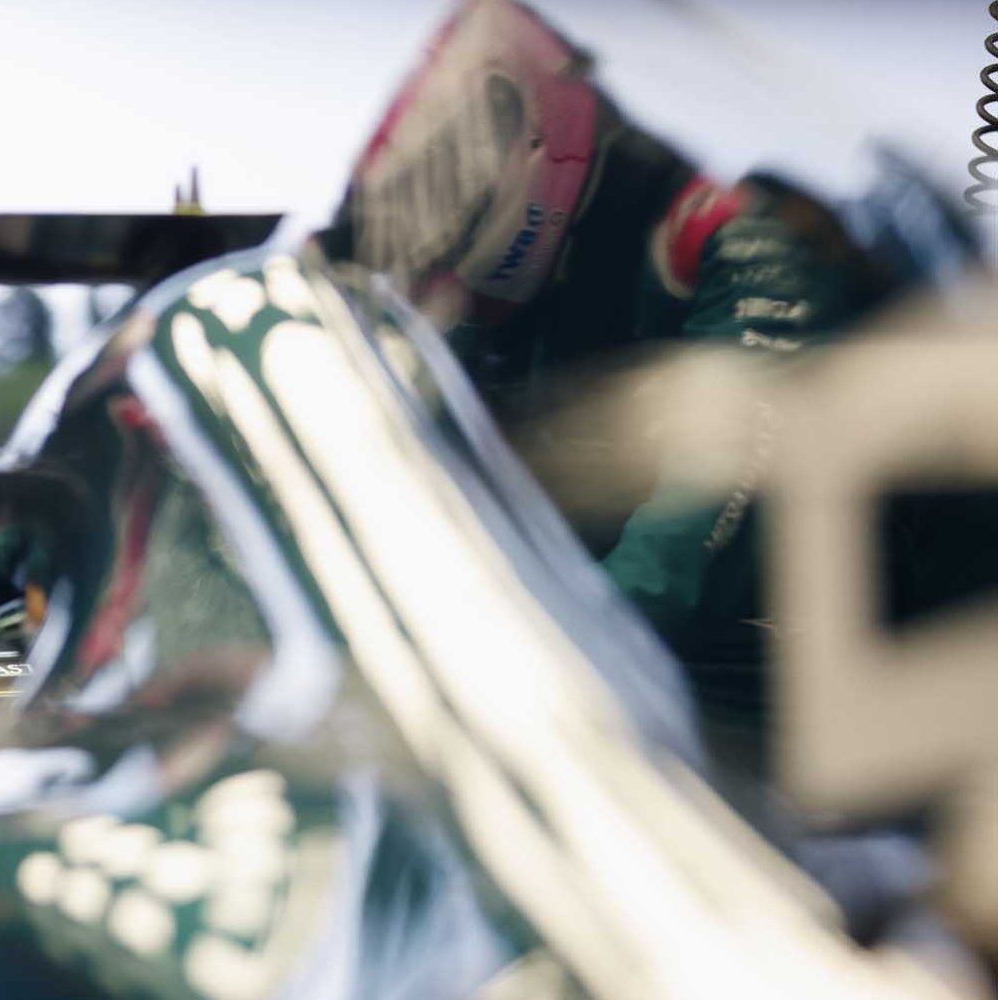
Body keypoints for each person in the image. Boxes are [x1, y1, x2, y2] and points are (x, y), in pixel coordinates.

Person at [321, 0, 977, 784]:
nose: (438, 213)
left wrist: (529, 656)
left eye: (447, 175)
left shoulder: (744, 236)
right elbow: (426, 473)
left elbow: (692, 529)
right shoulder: (502, 315)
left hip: (910, 663)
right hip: (735, 677)